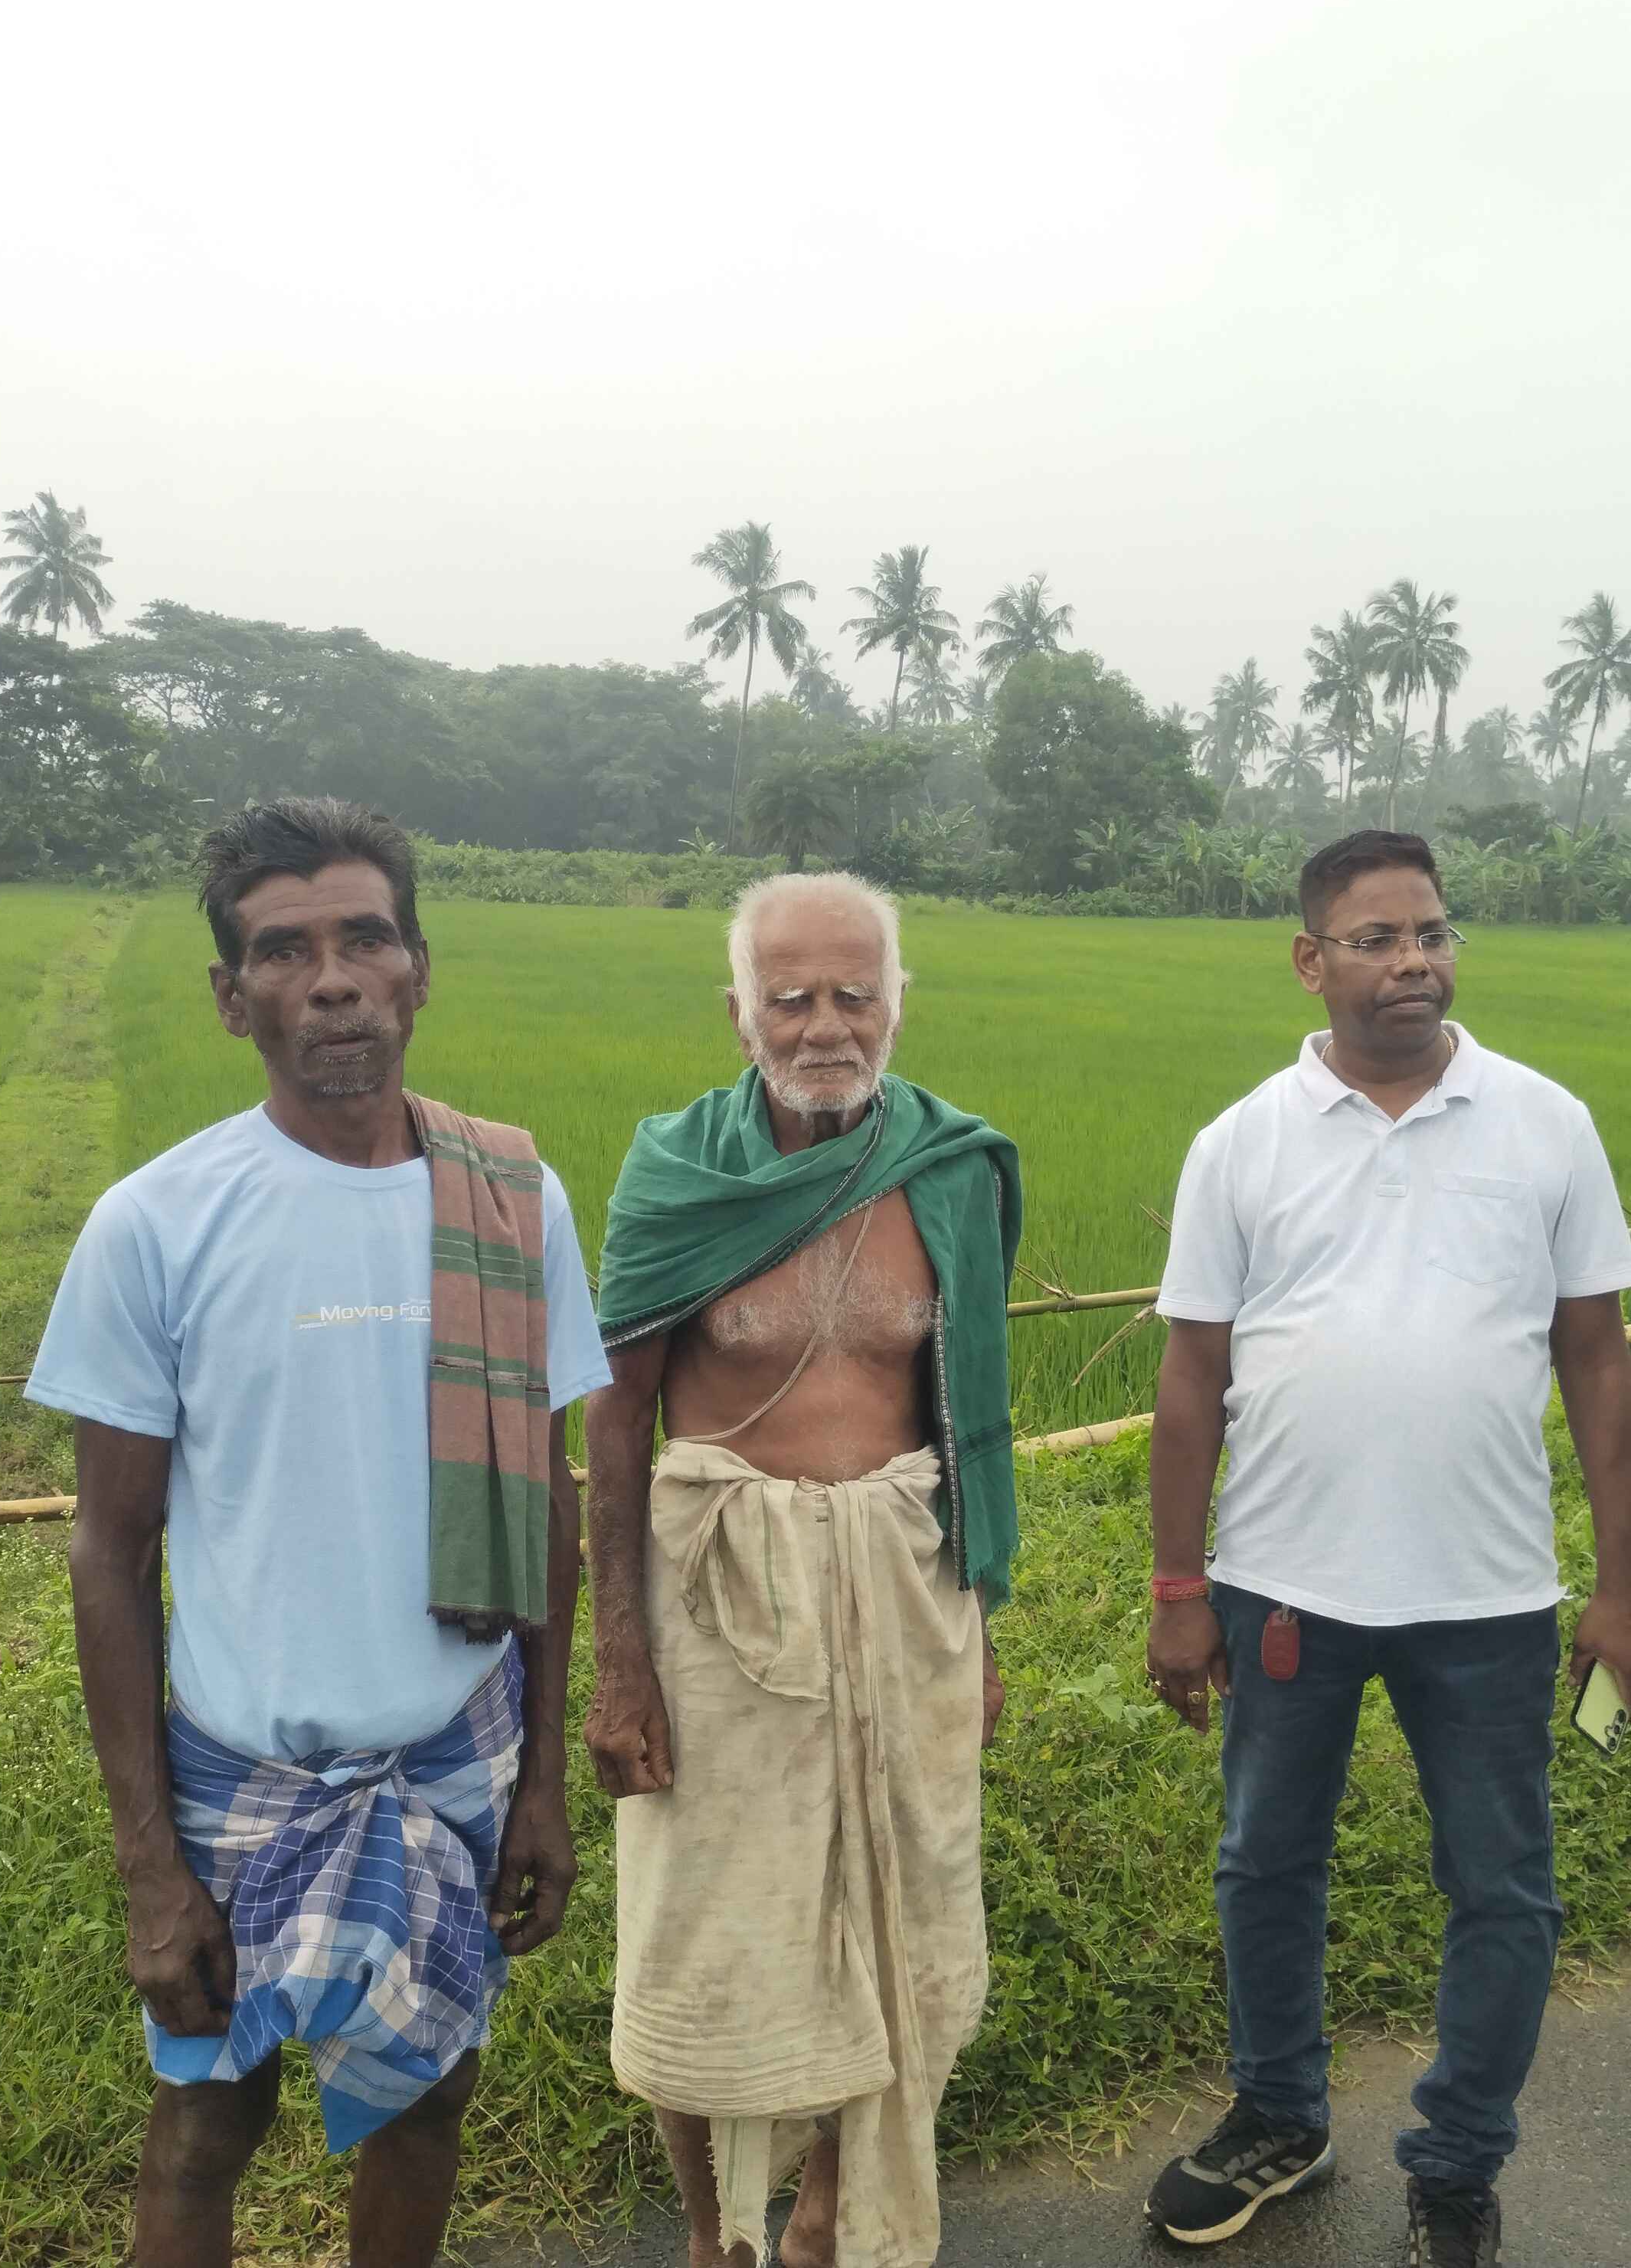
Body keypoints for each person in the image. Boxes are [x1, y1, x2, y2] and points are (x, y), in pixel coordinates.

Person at [27, 797, 609, 2268]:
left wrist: (544, 1780)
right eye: (285, 952)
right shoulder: (157, 1223)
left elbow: (550, 1504)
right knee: (204, 2129)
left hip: (454, 1753)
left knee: (429, 2103)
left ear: (419, 970)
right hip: (239, 1771)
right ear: (234, 999)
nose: (333, 980)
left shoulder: (512, 1201)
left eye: (365, 939)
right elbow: (110, 1549)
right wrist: (150, 1865)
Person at [1139, 829, 1631, 2268]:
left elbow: (1598, 1364)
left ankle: (1457, 2161)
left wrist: (1622, 1589)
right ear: (1310, 961)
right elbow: (1193, 1378)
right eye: (1375, 939)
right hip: (1282, 1589)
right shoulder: (1242, 1141)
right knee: (1267, 1863)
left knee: (1504, 1886)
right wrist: (1179, 1590)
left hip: (1489, 1596)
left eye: (1432, 933)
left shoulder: (1545, 1122)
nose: (1413, 961)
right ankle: (1279, 2116)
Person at [585, 871, 1023, 2268]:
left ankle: (833, 2213)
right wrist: (620, 1662)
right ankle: (716, 2236)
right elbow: (613, 1420)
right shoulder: (677, 1174)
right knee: (704, 1937)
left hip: (906, 1593)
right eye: (791, 1000)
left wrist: (978, 1628)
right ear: (740, 1012)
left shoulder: (951, 1168)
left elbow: (970, 1416)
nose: (826, 1026)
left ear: (898, 1004)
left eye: (854, 995)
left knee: (896, 1910)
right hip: (718, 1609)